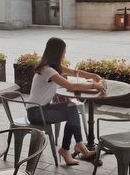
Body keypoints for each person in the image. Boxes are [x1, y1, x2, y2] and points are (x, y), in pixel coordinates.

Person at [26, 37, 106, 165]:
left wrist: (92, 76)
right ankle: (74, 148)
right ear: (57, 53)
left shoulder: (51, 67)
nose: (64, 54)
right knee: (72, 110)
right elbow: (71, 86)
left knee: (72, 108)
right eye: (63, 52)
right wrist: (93, 85)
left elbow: (74, 72)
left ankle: (70, 148)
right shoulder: (48, 71)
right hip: (36, 113)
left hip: (42, 108)